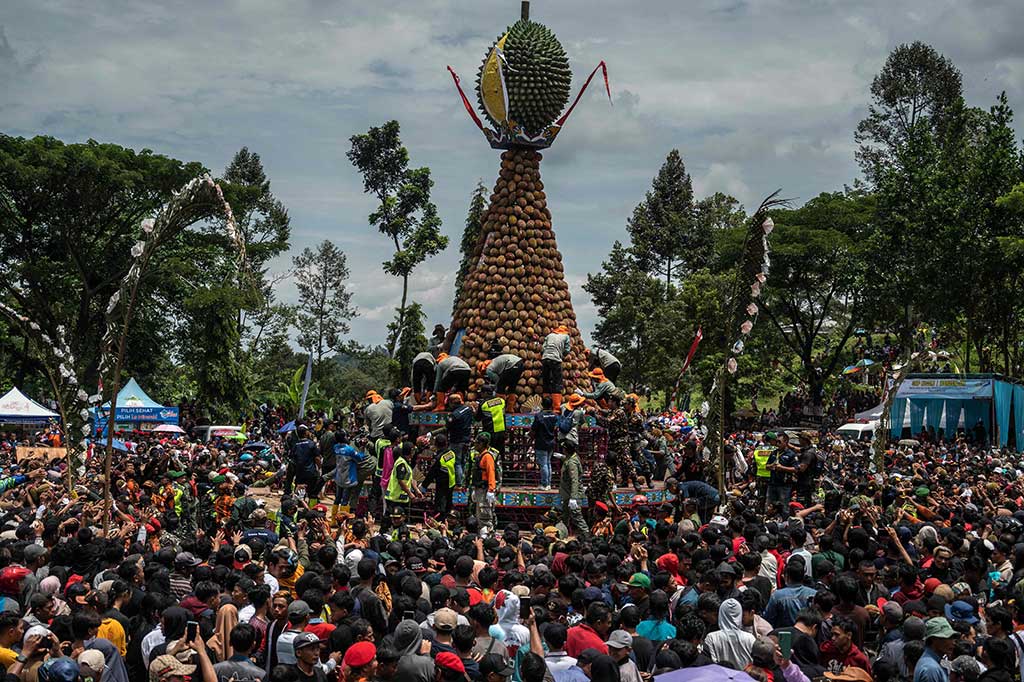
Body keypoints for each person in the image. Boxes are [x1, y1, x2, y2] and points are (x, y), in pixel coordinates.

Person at [704, 598, 755, 669]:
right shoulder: (750, 638)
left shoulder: (712, 638)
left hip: (720, 675)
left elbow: (711, 663)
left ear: (721, 614)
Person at [423, 433, 457, 519]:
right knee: (448, 505)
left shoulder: (439, 458)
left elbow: (431, 473)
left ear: (436, 444)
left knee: (440, 507)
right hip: (451, 483)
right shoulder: (452, 453)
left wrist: (423, 486)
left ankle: (441, 521)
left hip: (442, 485)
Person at [470, 433, 498, 530]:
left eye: (477, 443)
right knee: (479, 515)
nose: (475, 445)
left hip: (484, 490)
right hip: (479, 489)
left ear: (481, 444)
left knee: (485, 515)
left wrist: (491, 490)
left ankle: (487, 534)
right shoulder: (480, 456)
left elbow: (491, 473)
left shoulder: (487, 456)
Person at [915, 617, 958, 682]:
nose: (953, 643)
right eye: (948, 638)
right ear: (934, 639)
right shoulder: (931, 669)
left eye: (953, 638)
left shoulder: (938, 661)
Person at [559, 443, 588, 538]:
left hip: (572, 494)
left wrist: (573, 498)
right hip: (567, 494)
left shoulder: (572, 463)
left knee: (576, 516)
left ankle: (587, 535)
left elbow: (574, 480)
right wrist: (562, 457)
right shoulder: (572, 458)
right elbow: (569, 459)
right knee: (565, 516)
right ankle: (562, 534)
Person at [531, 396, 558, 491]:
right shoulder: (554, 416)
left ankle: (545, 484)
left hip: (541, 442)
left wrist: (530, 435)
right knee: (548, 463)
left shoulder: (539, 416)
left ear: (542, 404)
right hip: (551, 442)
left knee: (543, 464)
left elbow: (533, 429)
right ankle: (548, 483)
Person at [541, 325, 572, 410]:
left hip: (545, 358)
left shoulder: (549, 335)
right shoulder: (566, 336)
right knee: (557, 382)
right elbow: (567, 350)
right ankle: (556, 407)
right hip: (555, 360)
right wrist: (562, 355)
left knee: (546, 381)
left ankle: (546, 405)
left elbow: (543, 348)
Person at [477, 386, 507, 455]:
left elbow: (477, 418)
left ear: (485, 393)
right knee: (500, 451)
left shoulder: (483, 404)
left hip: (490, 432)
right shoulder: (501, 401)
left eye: (481, 393)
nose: (481, 394)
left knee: (490, 452)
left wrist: (474, 411)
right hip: (502, 431)